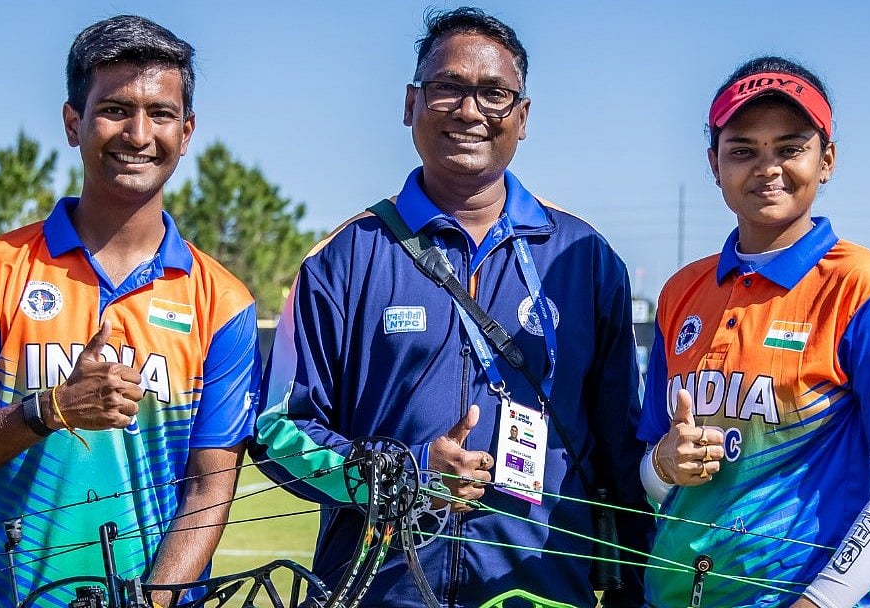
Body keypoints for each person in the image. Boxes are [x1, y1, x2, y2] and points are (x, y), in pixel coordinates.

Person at [252, 7, 650, 607]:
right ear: (411, 103)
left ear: (523, 116)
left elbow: (620, 449)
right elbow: (279, 431)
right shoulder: (345, 256)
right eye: (448, 89)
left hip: (542, 592)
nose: (470, 111)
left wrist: (633, 592)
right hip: (378, 593)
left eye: (494, 94)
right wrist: (403, 473)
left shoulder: (585, 258)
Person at [0, 15, 259, 607]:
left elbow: (209, 488)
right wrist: (49, 409)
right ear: (74, 123)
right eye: (115, 109)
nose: (139, 133)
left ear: (188, 130)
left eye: (162, 114)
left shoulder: (223, 301)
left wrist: (153, 602)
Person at [637, 56, 870, 608]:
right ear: (714, 163)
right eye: (743, 150)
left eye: (790, 148)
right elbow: (656, 482)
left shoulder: (869, 289)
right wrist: (663, 465)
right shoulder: (680, 291)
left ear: (826, 161)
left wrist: (819, 602)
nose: (767, 167)